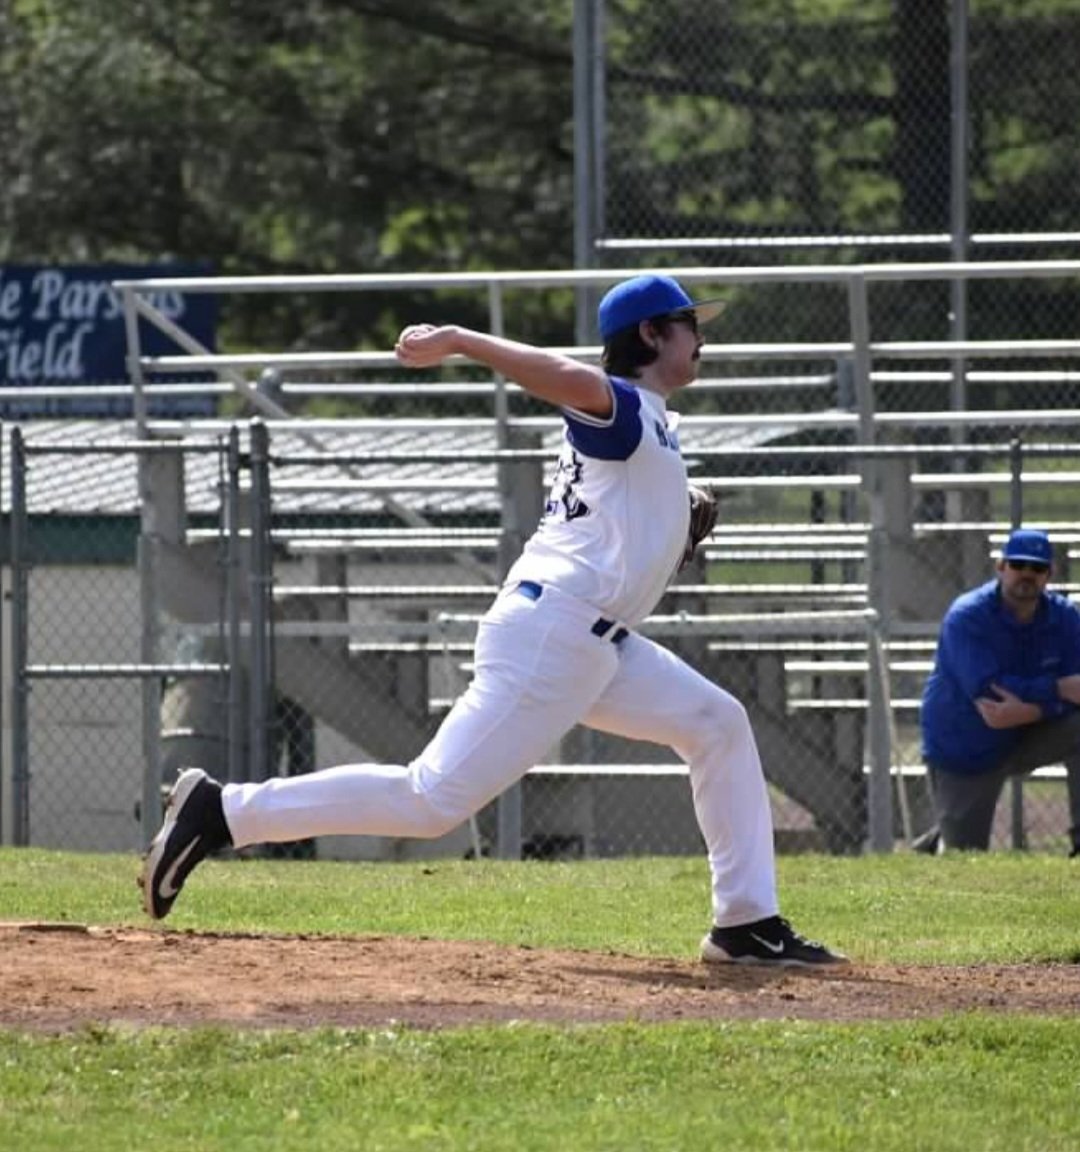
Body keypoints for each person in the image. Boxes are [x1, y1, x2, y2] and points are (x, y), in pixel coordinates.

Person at [140, 273, 847, 967]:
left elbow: (620, 518)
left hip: (595, 642)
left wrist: (672, 523)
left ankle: (746, 925)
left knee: (718, 724)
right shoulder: (624, 405)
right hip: (555, 636)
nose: (701, 337)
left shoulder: (653, 423)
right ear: (652, 333)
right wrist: (460, 340)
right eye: (691, 324)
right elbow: (562, 378)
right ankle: (223, 812)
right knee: (429, 800)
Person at [917, 527, 1080, 854]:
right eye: (1018, 564)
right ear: (1001, 567)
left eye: (1037, 568)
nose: (1027, 574)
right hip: (968, 745)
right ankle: (940, 839)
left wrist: (1036, 708)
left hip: (1028, 729)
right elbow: (991, 695)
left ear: (1049, 575)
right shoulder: (967, 616)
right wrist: (1056, 689)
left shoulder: (1065, 617)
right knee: (966, 858)